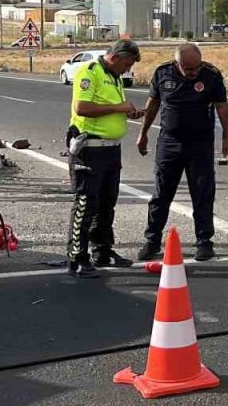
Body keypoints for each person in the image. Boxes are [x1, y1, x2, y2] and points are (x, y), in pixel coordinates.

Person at [135, 44, 228, 262]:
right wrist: (143, 133)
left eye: (196, 67)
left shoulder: (211, 74)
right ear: (176, 64)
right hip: (169, 143)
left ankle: (204, 242)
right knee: (161, 195)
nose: (193, 73)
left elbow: (222, 108)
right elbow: (152, 105)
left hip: (200, 144)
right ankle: (152, 241)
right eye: (189, 69)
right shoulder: (162, 73)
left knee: (202, 194)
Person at [63, 39, 144, 278]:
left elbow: (111, 106)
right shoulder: (89, 72)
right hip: (90, 147)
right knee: (86, 202)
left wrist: (129, 111)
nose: (128, 70)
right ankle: (77, 257)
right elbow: (82, 107)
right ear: (115, 57)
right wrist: (119, 108)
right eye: (127, 64)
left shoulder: (115, 76)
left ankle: (103, 250)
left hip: (111, 149)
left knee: (107, 203)